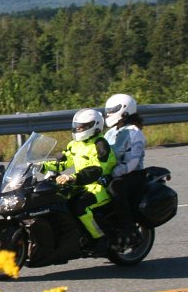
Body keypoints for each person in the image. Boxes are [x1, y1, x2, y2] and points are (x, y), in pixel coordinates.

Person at [42, 108, 116, 254]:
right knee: (57, 200)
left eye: (81, 127)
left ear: (93, 126)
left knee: (79, 205)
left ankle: (99, 238)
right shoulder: (75, 144)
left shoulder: (100, 145)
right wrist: (40, 166)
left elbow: (96, 169)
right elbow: (63, 163)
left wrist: (72, 177)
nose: (78, 129)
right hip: (80, 184)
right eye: (76, 126)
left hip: (99, 186)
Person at [102, 93, 147, 237]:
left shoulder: (134, 133)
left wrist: (114, 173)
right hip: (112, 172)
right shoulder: (110, 133)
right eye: (108, 111)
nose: (109, 113)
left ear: (125, 110)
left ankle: (128, 228)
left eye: (112, 110)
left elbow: (132, 162)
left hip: (132, 174)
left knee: (115, 187)